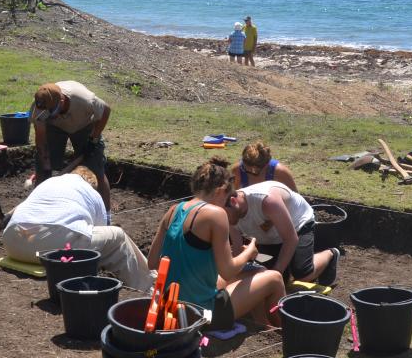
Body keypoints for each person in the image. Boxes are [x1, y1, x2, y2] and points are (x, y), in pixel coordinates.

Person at [146, 158, 286, 329]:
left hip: (170, 310)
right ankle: (285, 331)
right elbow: (227, 272)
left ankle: (262, 326)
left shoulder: (174, 210)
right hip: (202, 315)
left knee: (257, 273)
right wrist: (249, 252)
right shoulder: (216, 214)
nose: (227, 205)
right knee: (274, 278)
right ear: (220, 191)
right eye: (227, 199)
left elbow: (152, 262)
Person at [1, 168, 153, 290]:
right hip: (50, 246)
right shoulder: (91, 191)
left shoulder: (49, 182)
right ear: (90, 182)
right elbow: (99, 229)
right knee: (117, 236)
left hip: (12, 243)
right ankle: (147, 285)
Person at [224, 179, 341, 286]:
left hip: (297, 226)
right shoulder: (226, 210)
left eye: (225, 215)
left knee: (302, 274)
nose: (223, 219)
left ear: (234, 201)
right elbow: (238, 248)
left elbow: (291, 239)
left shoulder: (267, 200)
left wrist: (275, 276)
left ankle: (330, 254)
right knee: (269, 274)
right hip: (268, 236)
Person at [31, 80, 112, 208]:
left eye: (52, 112)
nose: (49, 115)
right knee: (42, 169)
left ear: (61, 102)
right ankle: (37, 211)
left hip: (84, 125)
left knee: (96, 169)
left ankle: (106, 215)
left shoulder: (84, 100)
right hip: (55, 128)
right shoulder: (39, 109)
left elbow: (106, 110)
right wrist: (46, 166)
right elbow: (41, 139)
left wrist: (94, 138)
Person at [232, 140, 298, 192]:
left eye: (246, 170)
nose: (242, 168)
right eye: (243, 166)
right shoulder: (237, 170)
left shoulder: (280, 172)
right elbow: (231, 196)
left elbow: (296, 198)